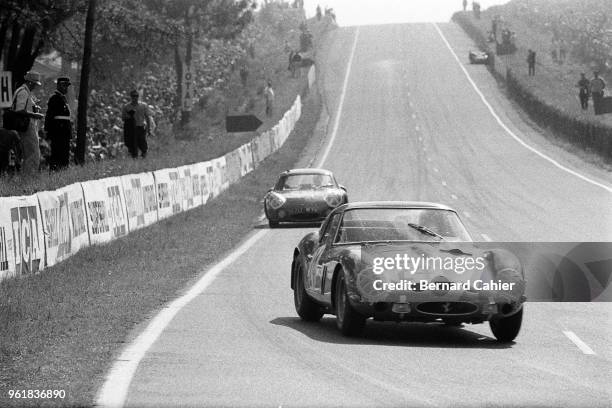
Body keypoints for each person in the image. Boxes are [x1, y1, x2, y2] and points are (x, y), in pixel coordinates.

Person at [12, 71, 44, 174]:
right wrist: (35, 115)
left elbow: (25, 106)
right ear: (30, 82)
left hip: (28, 126)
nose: (35, 87)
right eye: (34, 84)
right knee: (33, 153)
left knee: (30, 153)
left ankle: (28, 177)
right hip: (26, 127)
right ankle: (29, 178)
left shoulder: (25, 92)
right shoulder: (23, 92)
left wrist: (35, 107)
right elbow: (19, 110)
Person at [44, 77, 73, 170]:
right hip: (58, 132)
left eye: (66, 86)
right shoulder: (54, 98)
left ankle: (63, 170)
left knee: (64, 153)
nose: (66, 88)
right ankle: (55, 171)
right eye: (64, 85)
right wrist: (48, 131)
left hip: (64, 131)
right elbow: (49, 116)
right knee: (57, 154)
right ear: (59, 85)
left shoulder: (62, 99)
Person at [122, 89, 152, 158]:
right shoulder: (127, 107)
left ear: (138, 96)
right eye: (133, 96)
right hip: (131, 129)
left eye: (136, 96)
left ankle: (144, 155)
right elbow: (123, 118)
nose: (135, 98)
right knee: (132, 145)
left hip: (140, 127)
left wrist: (149, 128)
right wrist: (129, 116)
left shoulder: (143, 105)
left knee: (142, 143)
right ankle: (134, 158)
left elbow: (147, 117)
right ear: (131, 97)